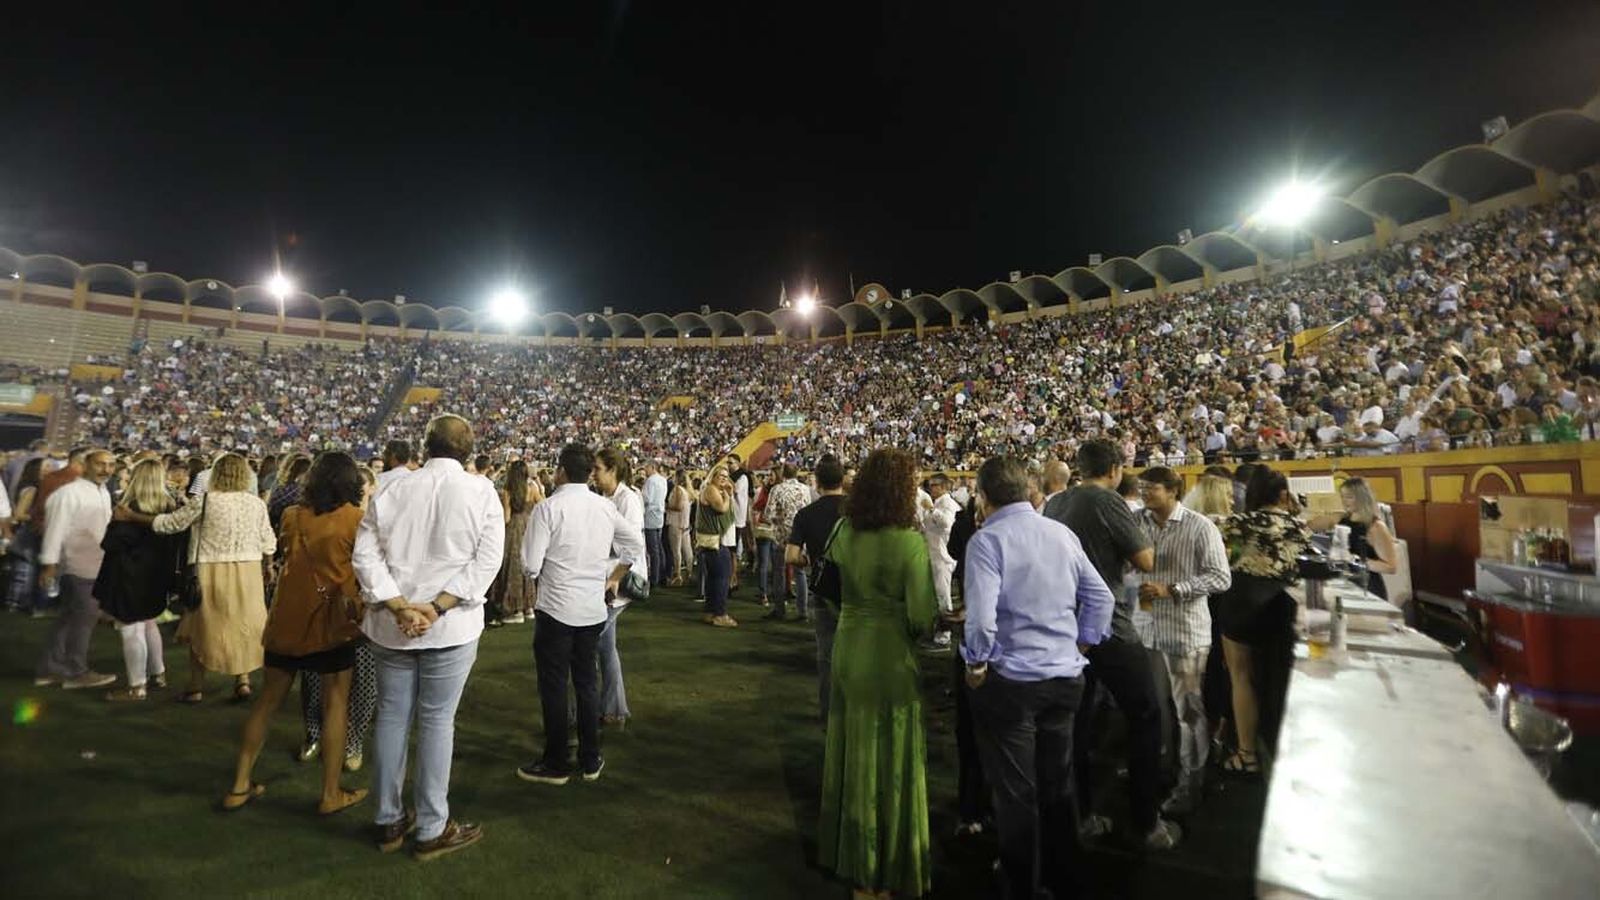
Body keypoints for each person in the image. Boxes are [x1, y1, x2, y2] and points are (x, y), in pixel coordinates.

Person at [962, 454, 1116, 900]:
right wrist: (1081, 644)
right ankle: (1063, 876)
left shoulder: (988, 541)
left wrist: (976, 663)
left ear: (983, 495)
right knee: (1056, 784)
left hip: (1013, 681)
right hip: (1065, 678)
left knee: (1016, 793)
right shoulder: (1060, 533)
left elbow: (982, 621)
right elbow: (1100, 598)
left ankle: (1022, 885)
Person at [353, 414, 504, 860]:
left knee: (393, 717)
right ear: (468, 449)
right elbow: (486, 561)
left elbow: (365, 555)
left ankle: (387, 819)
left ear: (426, 446)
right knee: (437, 720)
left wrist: (399, 605)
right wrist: (434, 607)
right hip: (449, 624)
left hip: (395, 624)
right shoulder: (480, 491)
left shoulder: (394, 486)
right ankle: (431, 826)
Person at [1042, 439, 1178, 850]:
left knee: (1077, 724)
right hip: (1109, 626)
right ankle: (1145, 822)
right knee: (1146, 714)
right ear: (1116, 470)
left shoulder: (1057, 503)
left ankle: (1080, 816)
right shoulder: (1108, 501)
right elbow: (1146, 560)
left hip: (1068, 626)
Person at [818, 448, 937, 898]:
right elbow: (922, 617)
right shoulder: (908, 542)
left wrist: (856, 615)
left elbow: (827, 592)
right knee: (892, 754)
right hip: (890, 657)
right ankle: (886, 866)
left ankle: (853, 861)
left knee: (852, 747)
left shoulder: (843, 529)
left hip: (849, 648)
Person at [223, 451, 370, 815]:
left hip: (288, 618)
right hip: (331, 622)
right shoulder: (356, 519)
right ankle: (330, 793)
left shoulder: (291, 516)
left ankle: (240, 784)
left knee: (267, 702)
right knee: (335, 704)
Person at [517, 443, 643, 786]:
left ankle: (557, 761)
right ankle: (591, 758)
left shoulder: (548, 508)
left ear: (560, 470)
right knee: (587, 683)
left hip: (556, 609)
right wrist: (611, 575)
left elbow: (529, 565)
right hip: (590, 610)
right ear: (588, 472)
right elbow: (634, 545)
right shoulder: (603, 507)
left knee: (555, 687)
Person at [138, 453, 277, 703]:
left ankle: (196, 686)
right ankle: (242, 681)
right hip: (248, 570)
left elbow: (172, 524)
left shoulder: (205, 500)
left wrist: (135, 517)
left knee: (203, 626)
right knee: (244, 625)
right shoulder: (256, 504)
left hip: (209, 568)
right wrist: (269, 566)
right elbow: (268, 540)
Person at [1136, 466, 1232, 817]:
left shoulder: (1199, 526)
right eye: (1143, 487)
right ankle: (1162, 769)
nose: (1145, 493)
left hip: (1185, 632)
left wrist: (1175, 589)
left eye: (1152, 488)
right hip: (1146, 627)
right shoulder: (1136, 522)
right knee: (1156, 708)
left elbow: (1221, 578)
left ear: (1173, 491)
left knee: (1188, 713)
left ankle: (1192, 784)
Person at [1216, 467, 1310, 777]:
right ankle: (1282, 750)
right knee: (1277, 678)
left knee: (1241, 677)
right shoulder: (1297, 526)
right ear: (1284, 494)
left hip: (1241, 601)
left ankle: (1247, 754)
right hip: (1280, 604)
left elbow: (1226, 557)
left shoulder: (1237, 523)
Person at [296, 464, 381, 773]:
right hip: (321, 608)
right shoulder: (312, 516)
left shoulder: (374, 520)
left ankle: (353, 740)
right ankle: (315, 734)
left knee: (364, 681)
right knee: (314, 677)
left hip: (361, 611)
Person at [96, 459, 184, 701]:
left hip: (129, 577)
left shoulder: (130, 508)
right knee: (148, 623)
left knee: (130, 629)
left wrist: (115, 523)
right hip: (156, 577)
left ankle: (137, 687)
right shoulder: (169, 506)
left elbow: (111, 543)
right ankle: (158, 674)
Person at [33, 448, 118, 690]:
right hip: (77, 566)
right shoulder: (69, 494)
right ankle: (75, 671)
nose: (107, 470)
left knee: (69, 619)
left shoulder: (102, 492)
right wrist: (49, 565)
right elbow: (54, 530)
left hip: (95, 564)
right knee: (82, 620)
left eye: (111, 465)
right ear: (85, 465)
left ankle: (50, 669)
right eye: (101, 464)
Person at [786, 454, 846, 721]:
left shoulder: (806, 514)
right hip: (856, 590)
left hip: (823, 589)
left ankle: (830, 716)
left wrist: (809, 561)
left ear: (817, 482)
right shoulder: (856, 510)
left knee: (827, 657)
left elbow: (790, 556)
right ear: (843, 480)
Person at [593, 446, 644, 728]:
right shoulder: (606, 497)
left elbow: (632, 545)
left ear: (612, 470)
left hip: (618, 583)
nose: (594, 474)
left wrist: (613, 579)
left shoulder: (628, 500)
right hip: (608, 579)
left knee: (590, 644)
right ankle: (615, 709)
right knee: (605, 647)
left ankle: (606, 708)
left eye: (598, 469)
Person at [1309, 477, 1398, 601]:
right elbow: (1311, 525)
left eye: (1349, 497)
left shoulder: (1376, 527)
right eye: (1342, 497)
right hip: (1346, 583)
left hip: (1367, 587)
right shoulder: (1342, 519)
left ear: (1362, 498)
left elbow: (1391, 567)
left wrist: (1353, 559)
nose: (1345, 502)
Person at [488, 459, 538, 626]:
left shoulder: (508, 491)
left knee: (512, 567)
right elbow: (543, 504)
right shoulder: (532, 489)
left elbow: (506, 517)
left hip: (514, 530)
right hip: (528, 527)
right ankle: (528, 607)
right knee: (526, 564)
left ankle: (515, 610)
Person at [763, 463, 811, 621]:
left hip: (782, 536)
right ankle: (802, 611)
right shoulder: (805, 489)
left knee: (779, 573)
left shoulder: (777, 489)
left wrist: (780, 520)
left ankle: (779, 609)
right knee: (800, 572)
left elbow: (768, 514)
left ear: (783, 473)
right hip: (801, 535)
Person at [920, 473, 961, 648]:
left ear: (943, 487)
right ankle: (937, 631)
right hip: (934, 553)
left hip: (943, 557)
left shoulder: (949, 504)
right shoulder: (937, 503)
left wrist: (931, 510)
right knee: (936, 596)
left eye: (934, 485)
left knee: (944, 597)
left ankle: (945, 635)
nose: (931, 488)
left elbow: (947, 524)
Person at [695, 462, 737, 628]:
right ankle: (720, 614)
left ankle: (710, 612)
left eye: (727, 477)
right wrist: (728, 495)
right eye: (721, 476)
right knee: (722, 578)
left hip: (714, 541)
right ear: (713, 476)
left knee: (714, 578)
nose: (724, 480)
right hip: (714, 542)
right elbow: (721, 508)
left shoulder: (713, 489)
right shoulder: (711, 489)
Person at [4, 457, 45, 613]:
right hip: (26, 535)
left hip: (28, 534)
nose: (50, 470)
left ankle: (18, 602)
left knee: (24, 570)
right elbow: (19, 514)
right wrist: (38, 518)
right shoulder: (32, 489)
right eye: (45, 467)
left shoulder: (33, 488)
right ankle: (14, 602)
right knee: (23, 570)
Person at [641, 460, 668, 588]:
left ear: (652, 467)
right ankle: (662, 574)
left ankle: (654, 578)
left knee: (653, 550)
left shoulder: (650, 481)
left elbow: (647, 499)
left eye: (646, 467)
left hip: (650, 517)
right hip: (659, 516)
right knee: (659, 547)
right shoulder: (663, 480)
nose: (645, 470)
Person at [665, 469, 693, 586]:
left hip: (676, 522)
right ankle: (689, 573)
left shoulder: (678, 489)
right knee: (687, 550)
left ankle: (677, 576)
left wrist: (666, 506)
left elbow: (678, 506)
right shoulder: (688, 491)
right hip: (685, 523)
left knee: (676, 551)